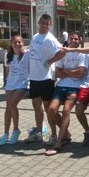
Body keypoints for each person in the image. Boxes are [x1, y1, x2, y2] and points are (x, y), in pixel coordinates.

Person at [45, 32, 87, 155]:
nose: (73, 41)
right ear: (67, 40)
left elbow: (80, 74)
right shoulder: (62, 53)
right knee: (51, 109)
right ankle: (66, 134)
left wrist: (65, 71)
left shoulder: (82, 53)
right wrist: (71, 72)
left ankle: (59, 141)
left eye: (76, 39)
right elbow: (57, 73)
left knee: (66, 110)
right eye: (71, 39)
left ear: (79, 40)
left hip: (75, 88)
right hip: (61, 86)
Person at [26, 14, 65, 143]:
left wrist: (50, 61)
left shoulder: (50, 39)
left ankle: (54, 134)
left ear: (50, 25)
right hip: (34, 77)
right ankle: (39, 132)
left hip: (46, 78)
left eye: (47, 24)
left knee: (48, 108)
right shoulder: (35, 37)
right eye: (43, 23)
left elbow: (62, 52)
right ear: (38, 22)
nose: (44, 25)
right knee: (36, 106)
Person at [0, 35, 29, 145]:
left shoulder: (27, 55)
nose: (17, 44)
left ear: (23, 43)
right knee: (8, 108)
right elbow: (8, 70)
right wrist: (7, 83)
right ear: (11, 44)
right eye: (15, 42)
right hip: (11, 84)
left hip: (22, 84)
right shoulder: (8, 55)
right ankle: (6, 133)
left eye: (19, 42)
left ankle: (16, 130)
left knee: (11, 104)